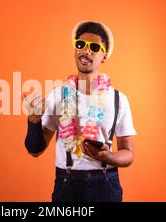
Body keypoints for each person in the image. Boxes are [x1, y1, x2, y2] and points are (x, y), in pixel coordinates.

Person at [24, 21, 137, 202]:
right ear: (75, 49)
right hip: (67, 184)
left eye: (94, 47)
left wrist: (109, 157)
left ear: (104, 56)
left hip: (106, 183)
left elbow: (128, 154)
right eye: (80, 45)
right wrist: (33, 122)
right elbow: (34, 150)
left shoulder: (118, 99)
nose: (86, 51)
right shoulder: (58, 95)